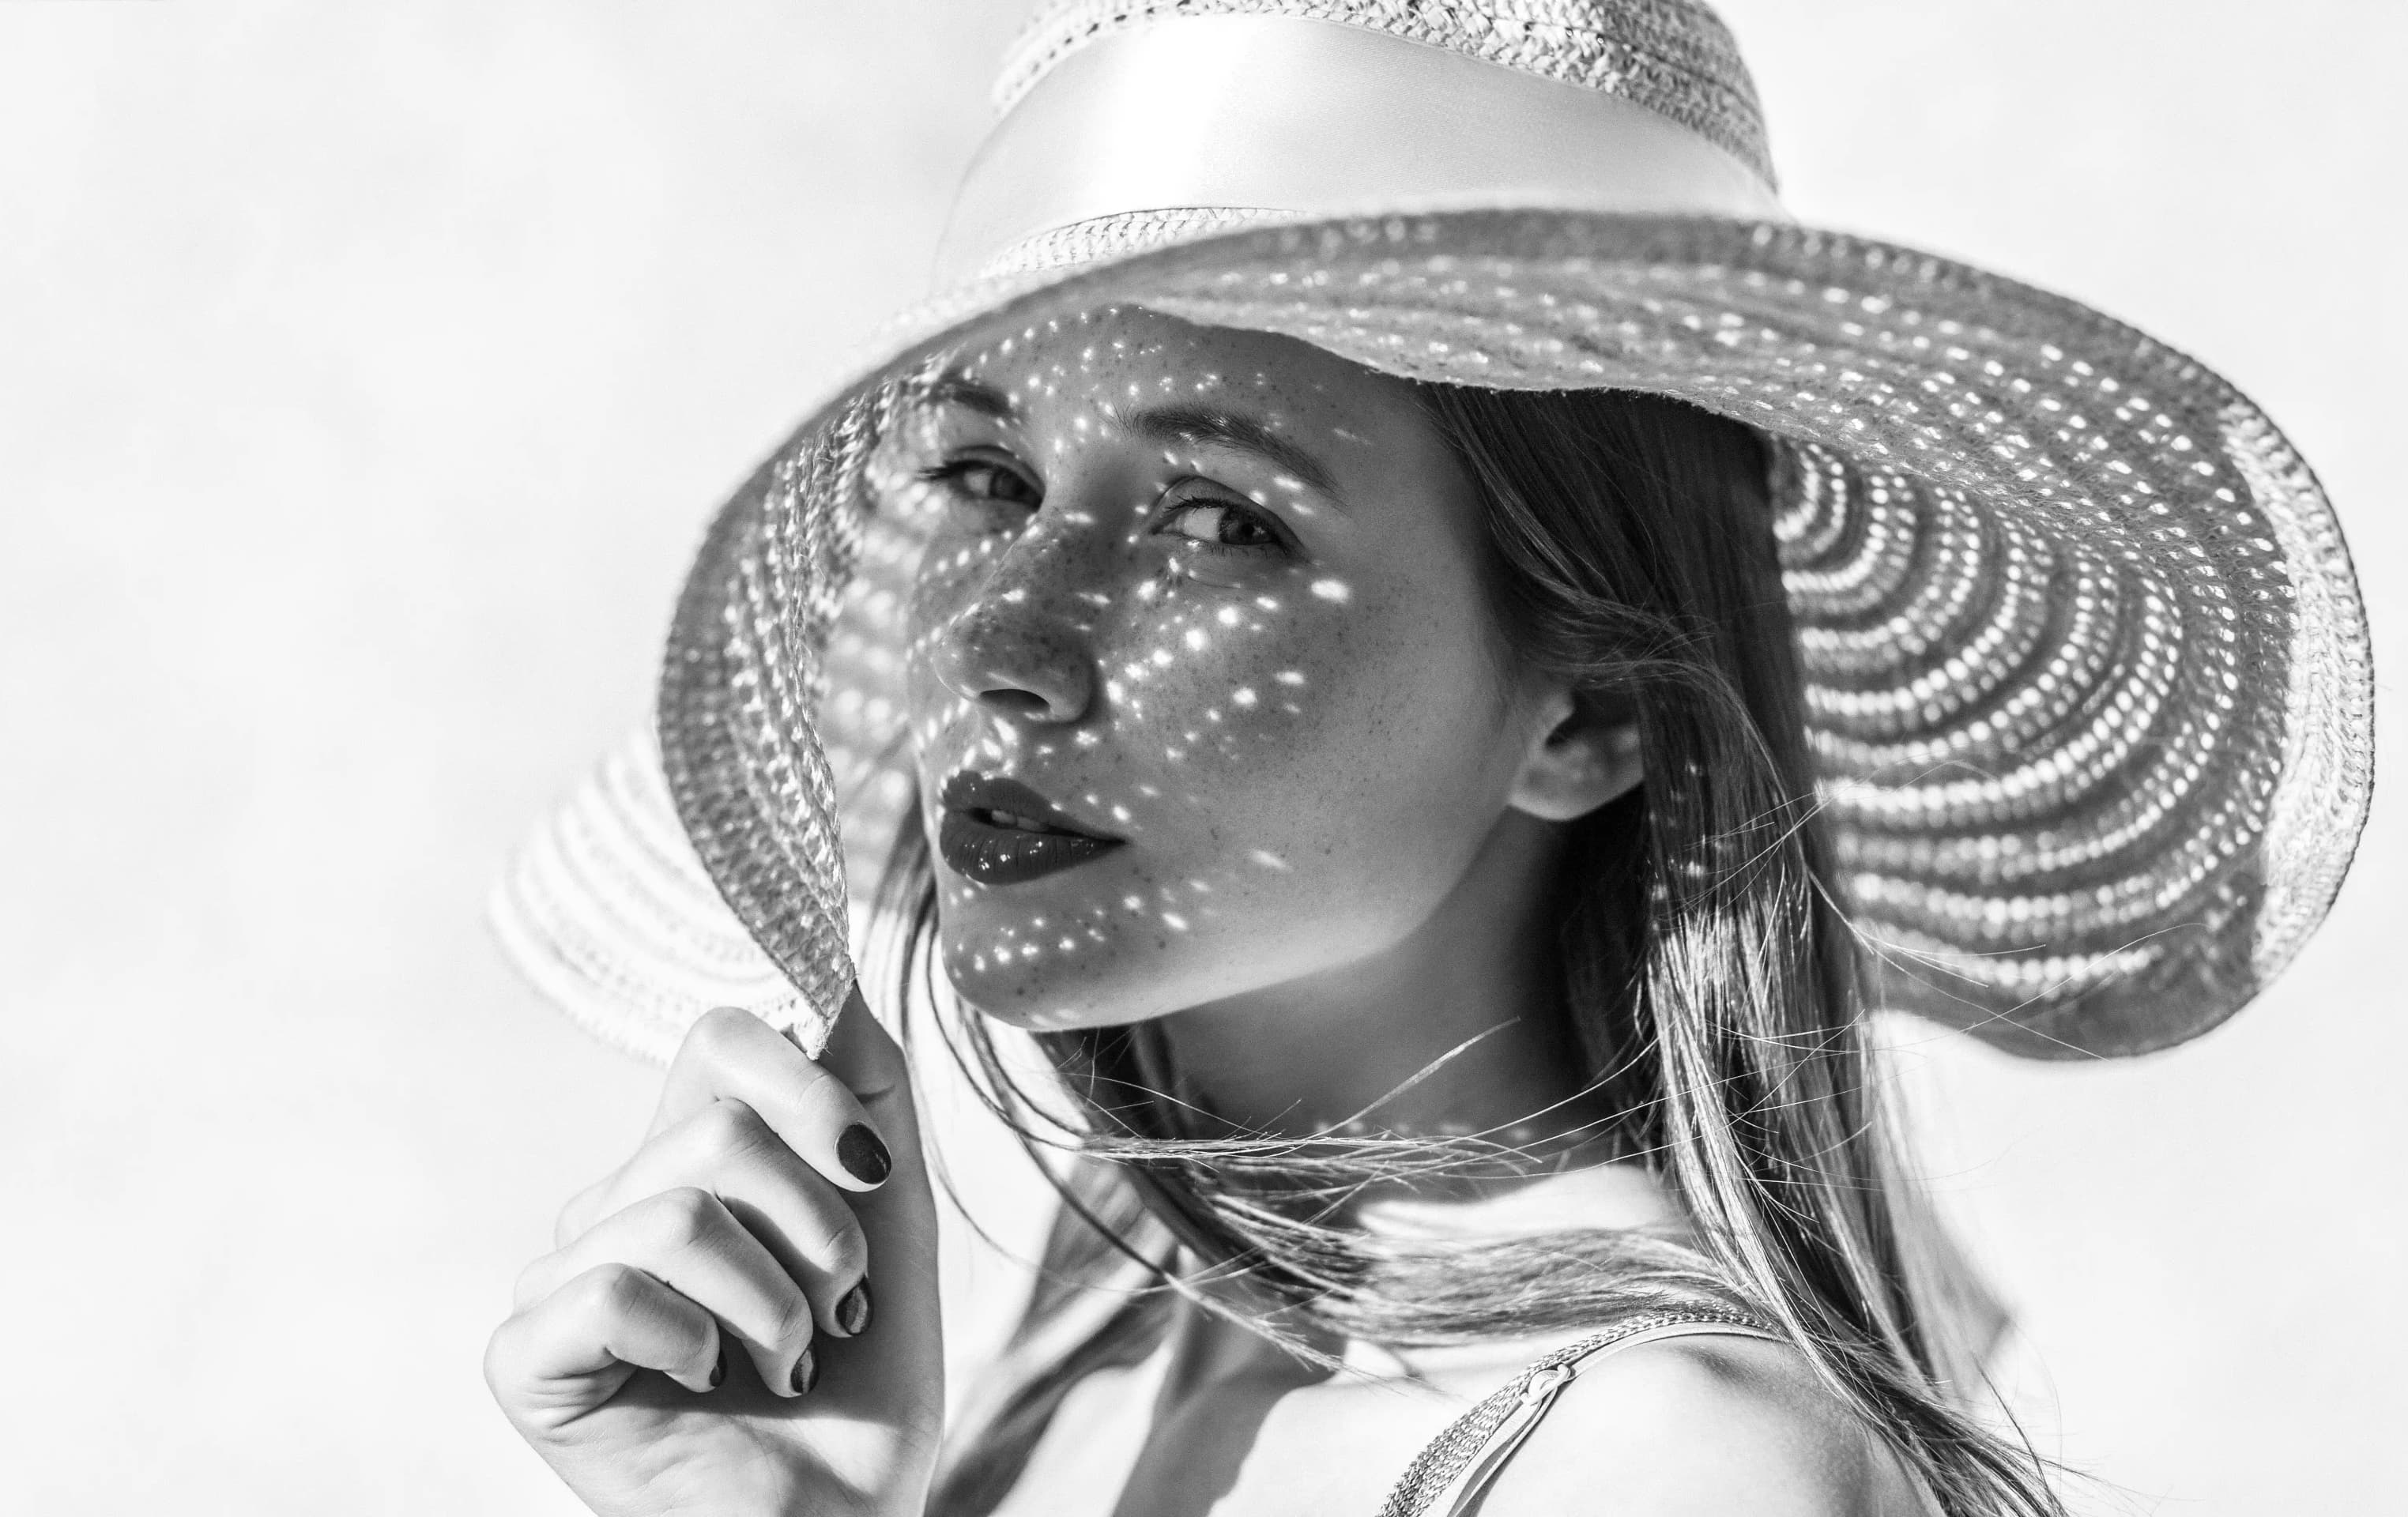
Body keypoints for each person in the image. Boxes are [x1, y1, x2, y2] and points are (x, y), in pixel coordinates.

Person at [480, 5, 2373, 1515]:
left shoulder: (1660, 1475)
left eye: (1221, 520)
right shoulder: (1113, 1334)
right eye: (986, 475)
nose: (998, 633)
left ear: (1594, 713)